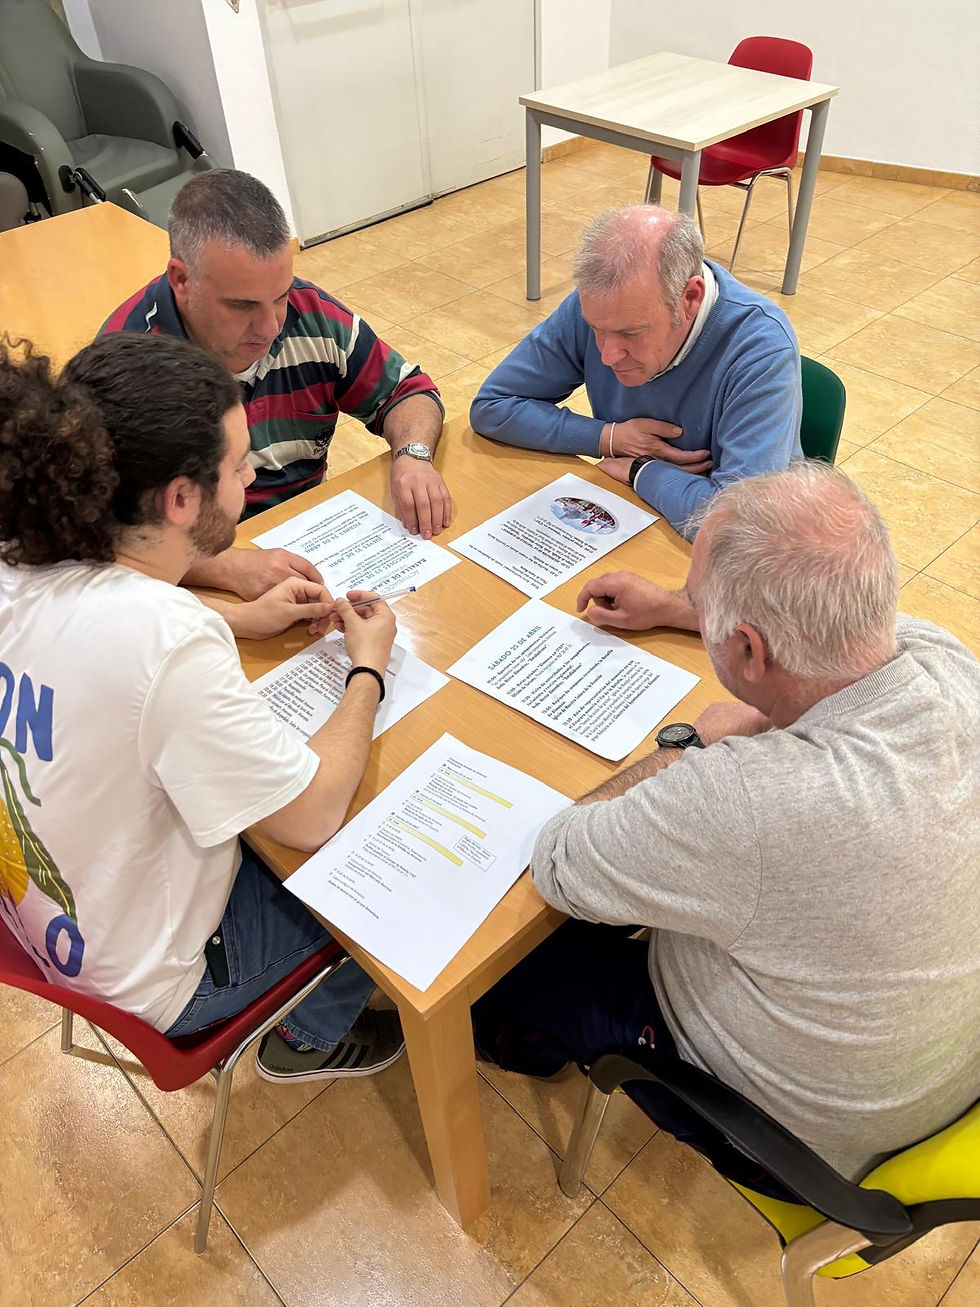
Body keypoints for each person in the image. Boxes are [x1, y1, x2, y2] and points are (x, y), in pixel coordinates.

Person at [473, 462, 980, 1187]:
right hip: (939, 1076)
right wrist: (678, 609)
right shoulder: (948, 662)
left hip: (803, 1143)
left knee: (517, 958)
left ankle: (519, 1044)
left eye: (703, 607)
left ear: (747, 648)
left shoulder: (745, 796)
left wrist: (689, 748)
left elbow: (558, 859)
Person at [0, 331, 404, 1083]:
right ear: (181, 498)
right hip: (164, 981)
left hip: (51, 922)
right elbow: (313, 814)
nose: (250, 475)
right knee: (389, 864)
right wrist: (367, 670)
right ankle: (310, 1035)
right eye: (239, 463)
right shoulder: (165, 638)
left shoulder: (23, 549)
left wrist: (239, 621)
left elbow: (103, 657)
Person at [101, 168, 452, 636]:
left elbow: (408, 392)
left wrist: (413, 456)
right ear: (181, 280)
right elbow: (104, 537)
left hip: (308, 557)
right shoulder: (130, 366)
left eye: (281, 297)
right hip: (200, 585)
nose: (270, 327)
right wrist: (227, 567)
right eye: (243, 306)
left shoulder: (312, 316)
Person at [470, 205, 802, 554]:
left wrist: (641, 471)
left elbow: (738, 529)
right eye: (597, 330)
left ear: (690, 299)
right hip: (634, 519)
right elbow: (494, 407)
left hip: (724, 557)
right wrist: (610, 438)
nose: (607, 355)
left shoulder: (761, 346)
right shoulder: (605, 306)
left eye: (631, 333)